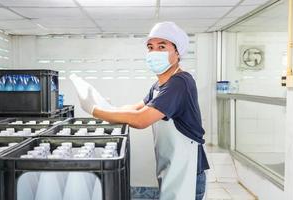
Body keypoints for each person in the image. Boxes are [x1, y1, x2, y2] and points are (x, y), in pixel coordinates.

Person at [73, 21, 209, 200]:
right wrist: (109, 108)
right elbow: (136, 108)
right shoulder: (160, 85)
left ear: (177, 52)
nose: (154, 52)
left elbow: (141, 119)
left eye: (162, 46)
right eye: (150, 47)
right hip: (173, 167)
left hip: (188, 170)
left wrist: (95, 110)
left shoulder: (180, 82)